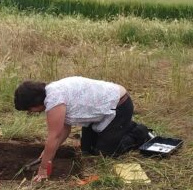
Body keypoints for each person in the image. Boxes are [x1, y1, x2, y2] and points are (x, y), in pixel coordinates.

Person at [14, 76, 150, 182]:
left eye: (29, 109)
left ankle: (138, 133)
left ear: (35, 102)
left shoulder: (54, 100)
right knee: (87, 149)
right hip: (98, 113)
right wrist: (48, 152)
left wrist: (43, 168)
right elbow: (64, 131)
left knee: (105, 154)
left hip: (119, 105)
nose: (31, 112)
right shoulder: (52, 93)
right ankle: (121, 128)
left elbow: (53, 136)